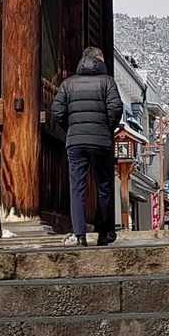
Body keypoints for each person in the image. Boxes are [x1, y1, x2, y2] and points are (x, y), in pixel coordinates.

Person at [49, 47, 123, 246]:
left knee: (77, 187)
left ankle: (79, 235)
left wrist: (71, 127)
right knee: (104, 186)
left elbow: (57, 111)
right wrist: (106, 127)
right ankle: (104, 232)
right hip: (101, 141)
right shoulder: (107, 82)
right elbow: (116, 108)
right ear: (99, 61)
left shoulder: (68, 84)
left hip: (76, 142)